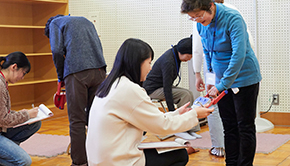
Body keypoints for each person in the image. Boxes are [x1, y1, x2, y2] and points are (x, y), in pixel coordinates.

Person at [86, 38, 214, 166]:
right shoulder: (129, 90)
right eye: (149, 62)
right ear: (137, 63)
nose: (150, 68)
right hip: (117, 161)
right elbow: (162, 126)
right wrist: (195, 114)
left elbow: (152, 118)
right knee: (180, 155)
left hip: (100, 158)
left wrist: (177, 114)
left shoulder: (111, 84)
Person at [181, 0, 262, 166]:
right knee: (229, 125)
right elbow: (208, 52)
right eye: (192, 18)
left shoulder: (233, 18)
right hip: (221, 81)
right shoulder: (200, 24)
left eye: (200, 16)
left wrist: (222, 84)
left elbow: (238, 55)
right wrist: (212, 79)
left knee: (245, 126)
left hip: (245, 78)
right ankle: (231, 163)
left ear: (211, 6)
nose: (197, 21)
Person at [45, 15, 107, 166]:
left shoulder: (54, 23)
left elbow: (57, 50)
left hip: (77, 72)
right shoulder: (84, 20)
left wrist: (61, 76)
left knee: (77, 120)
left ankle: (79, 163)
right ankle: (99, 158)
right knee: (96, 117)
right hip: (100, 70)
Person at [143, 36, 201, 140]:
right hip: (152, 90)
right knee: (185, 94)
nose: (190, 58)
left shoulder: (175, 54)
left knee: (189, 93)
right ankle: (181, 129)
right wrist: (171, 112)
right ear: (183, 52)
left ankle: (190, 129)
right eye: (190, 55)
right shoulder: (168, 61)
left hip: (161, 86)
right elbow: (167, 88)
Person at [0, 51, 41, 166]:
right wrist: (27, 115)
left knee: (35, 124)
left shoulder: (3, 81)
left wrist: (23, 114)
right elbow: (3, 119)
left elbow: (3, 112)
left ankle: (8, 151)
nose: (22, 78)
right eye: (23, 73)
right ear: (14, 67)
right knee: (24, 161)